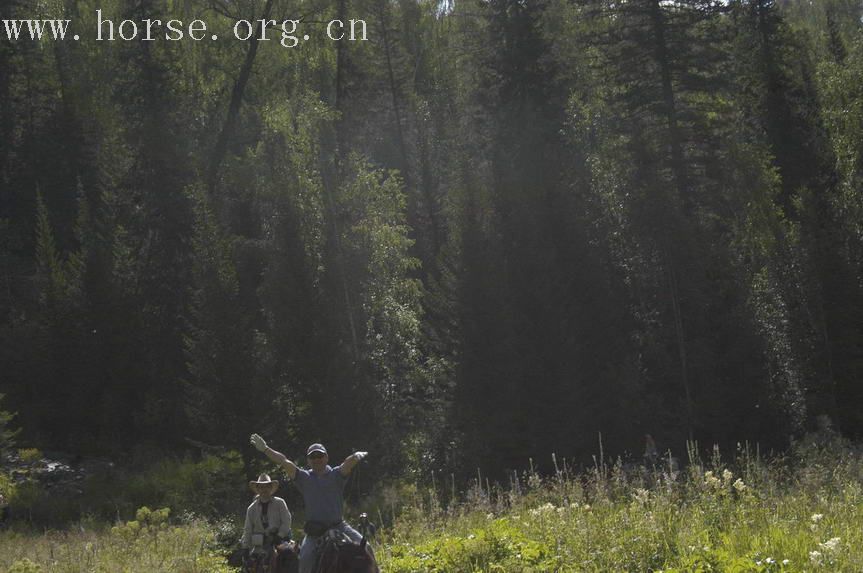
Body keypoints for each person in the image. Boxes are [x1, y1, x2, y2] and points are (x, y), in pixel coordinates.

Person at [250, 434, 369, 573]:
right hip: (315, 532)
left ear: (326, 457)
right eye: (313, 457)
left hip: (339, 526)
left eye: (320, 456)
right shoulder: (304, 478)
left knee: (366, 547)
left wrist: (356, 456)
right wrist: (266, 449)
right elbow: (284, 461)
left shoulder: (336, 475)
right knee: (305, 560)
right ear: (308, 460)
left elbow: (347, 464)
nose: (317, 459)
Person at [242, 473, 295, 570]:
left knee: (289, 556)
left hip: (280, 539)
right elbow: (248, 529)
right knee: (248, 565)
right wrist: (245, 547)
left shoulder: (280, 503)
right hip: (260, 543)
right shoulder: (252, 508)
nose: (264, 489)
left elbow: (287, 521)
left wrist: (279, 535)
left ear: (271, 488)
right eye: (261, 487)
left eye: (267, 487)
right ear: (257, 489)